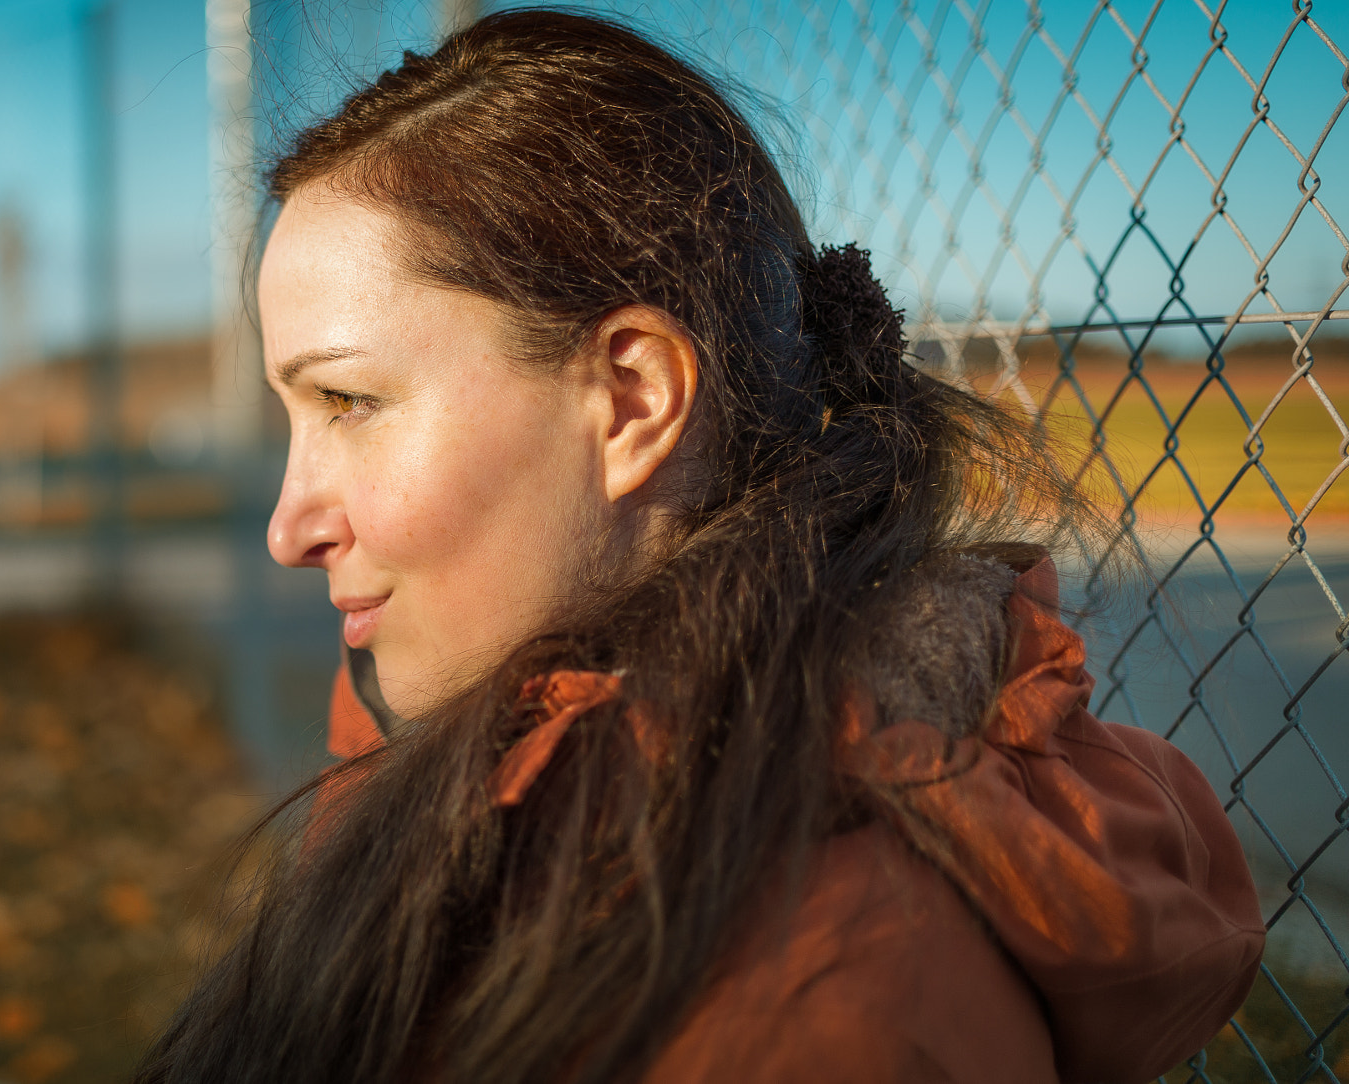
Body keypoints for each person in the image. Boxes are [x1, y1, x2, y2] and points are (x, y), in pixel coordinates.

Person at [140, 9, 1264, 1083]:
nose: (288, 526)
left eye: (346, 399)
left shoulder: (807, 989)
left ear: (629, 398)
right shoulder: (485, 754)